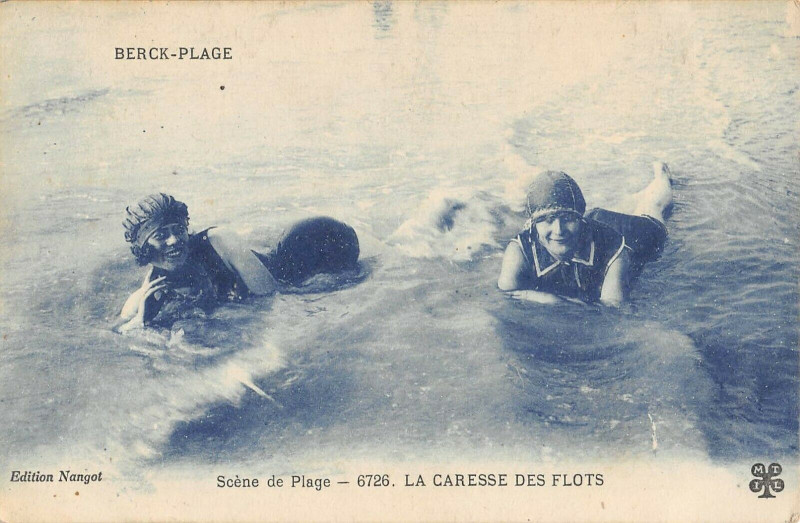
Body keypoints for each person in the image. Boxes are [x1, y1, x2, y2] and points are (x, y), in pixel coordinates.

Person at [118, 194, 360, 331]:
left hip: (310, 247)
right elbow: (118, 331)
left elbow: (276, 297)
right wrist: (144, 323)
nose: (174, 241)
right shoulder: (146, 293)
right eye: (161, 236)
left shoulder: (218, 241)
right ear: (143, 248)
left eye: (179, 230)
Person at [497, 163, 673, 307]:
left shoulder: (614, 249)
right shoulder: (519, 249)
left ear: (579, 218)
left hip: (631, 234)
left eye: (567, 218)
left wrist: (552, 301)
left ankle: (661, 176)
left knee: (654, 206)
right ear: (533, 224)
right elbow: (506, 296)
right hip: (590, 224)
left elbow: (613, 311)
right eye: (548, 220)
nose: (558, 230)